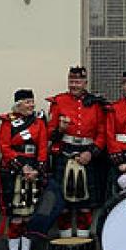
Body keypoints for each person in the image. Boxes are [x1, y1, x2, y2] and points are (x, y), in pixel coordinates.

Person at [46, 66, 107, 238]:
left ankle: (82, 243)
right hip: (65, 152)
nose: (75, 85)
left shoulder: (95, 103)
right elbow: (49, 133)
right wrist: (60, 129)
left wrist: (92, 152)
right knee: (63, 204)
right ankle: (66, 244)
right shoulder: (58, 101)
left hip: (88, 153)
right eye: (72, 81)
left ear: (85, 82)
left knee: (85, 205)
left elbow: (102, 133)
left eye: (78, 81)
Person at [0, 89, 48, 250]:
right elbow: (4, 147)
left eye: (32, 102)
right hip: (15, 169)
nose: (31, 105)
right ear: (18, 105)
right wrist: (21, 166)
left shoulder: (39, 122)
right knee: (16, 216)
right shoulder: (8, 122)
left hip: (33, 168)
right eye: (27, 102)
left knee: (30, 216)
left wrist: (39, 167)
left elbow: (43, 146)